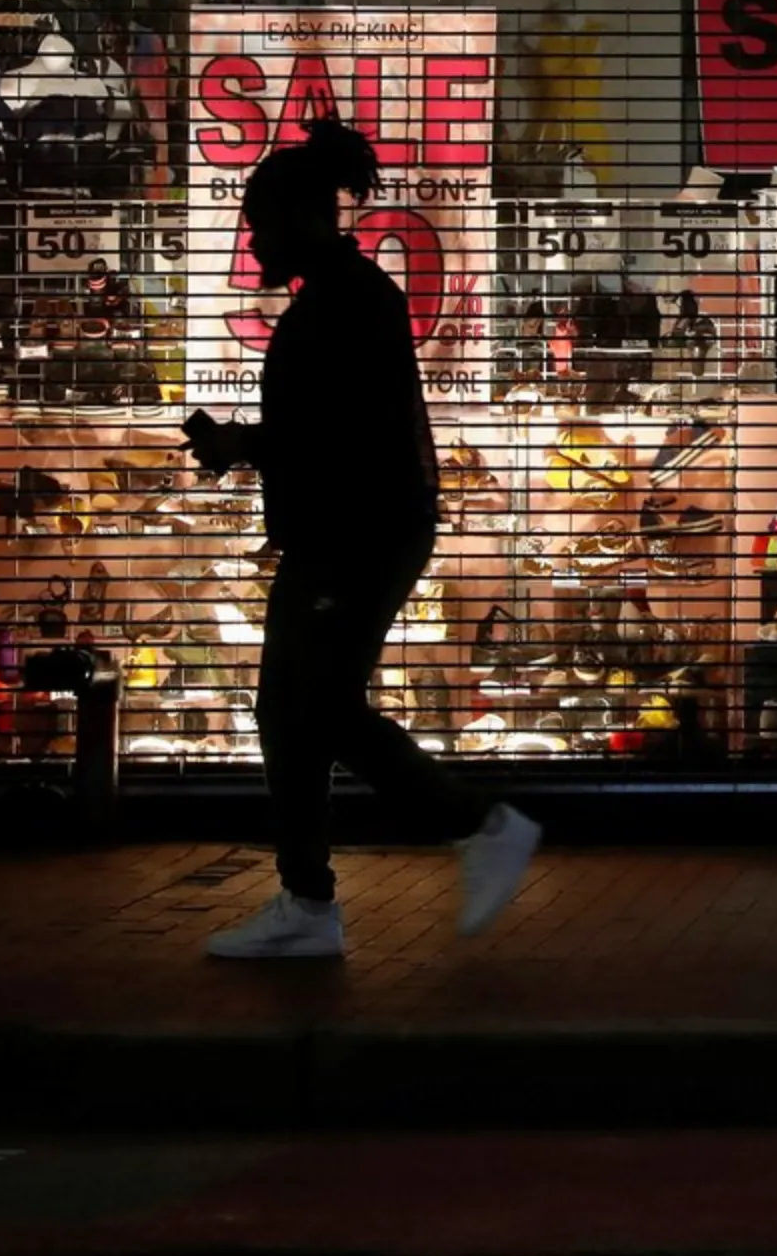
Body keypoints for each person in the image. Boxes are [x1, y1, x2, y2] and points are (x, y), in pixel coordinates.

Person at [188, 120, 540, 959]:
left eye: (259, 221)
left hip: (354, 537)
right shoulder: (345, 299)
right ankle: (309, 903)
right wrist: (249, 443)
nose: (251, 238)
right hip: (349, 531)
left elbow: (341, 438)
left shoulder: (346, 305)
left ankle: (477, 828)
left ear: (305, 217)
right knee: (296, 711)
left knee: (310, 708)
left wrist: (251, 444)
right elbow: (333, 429)